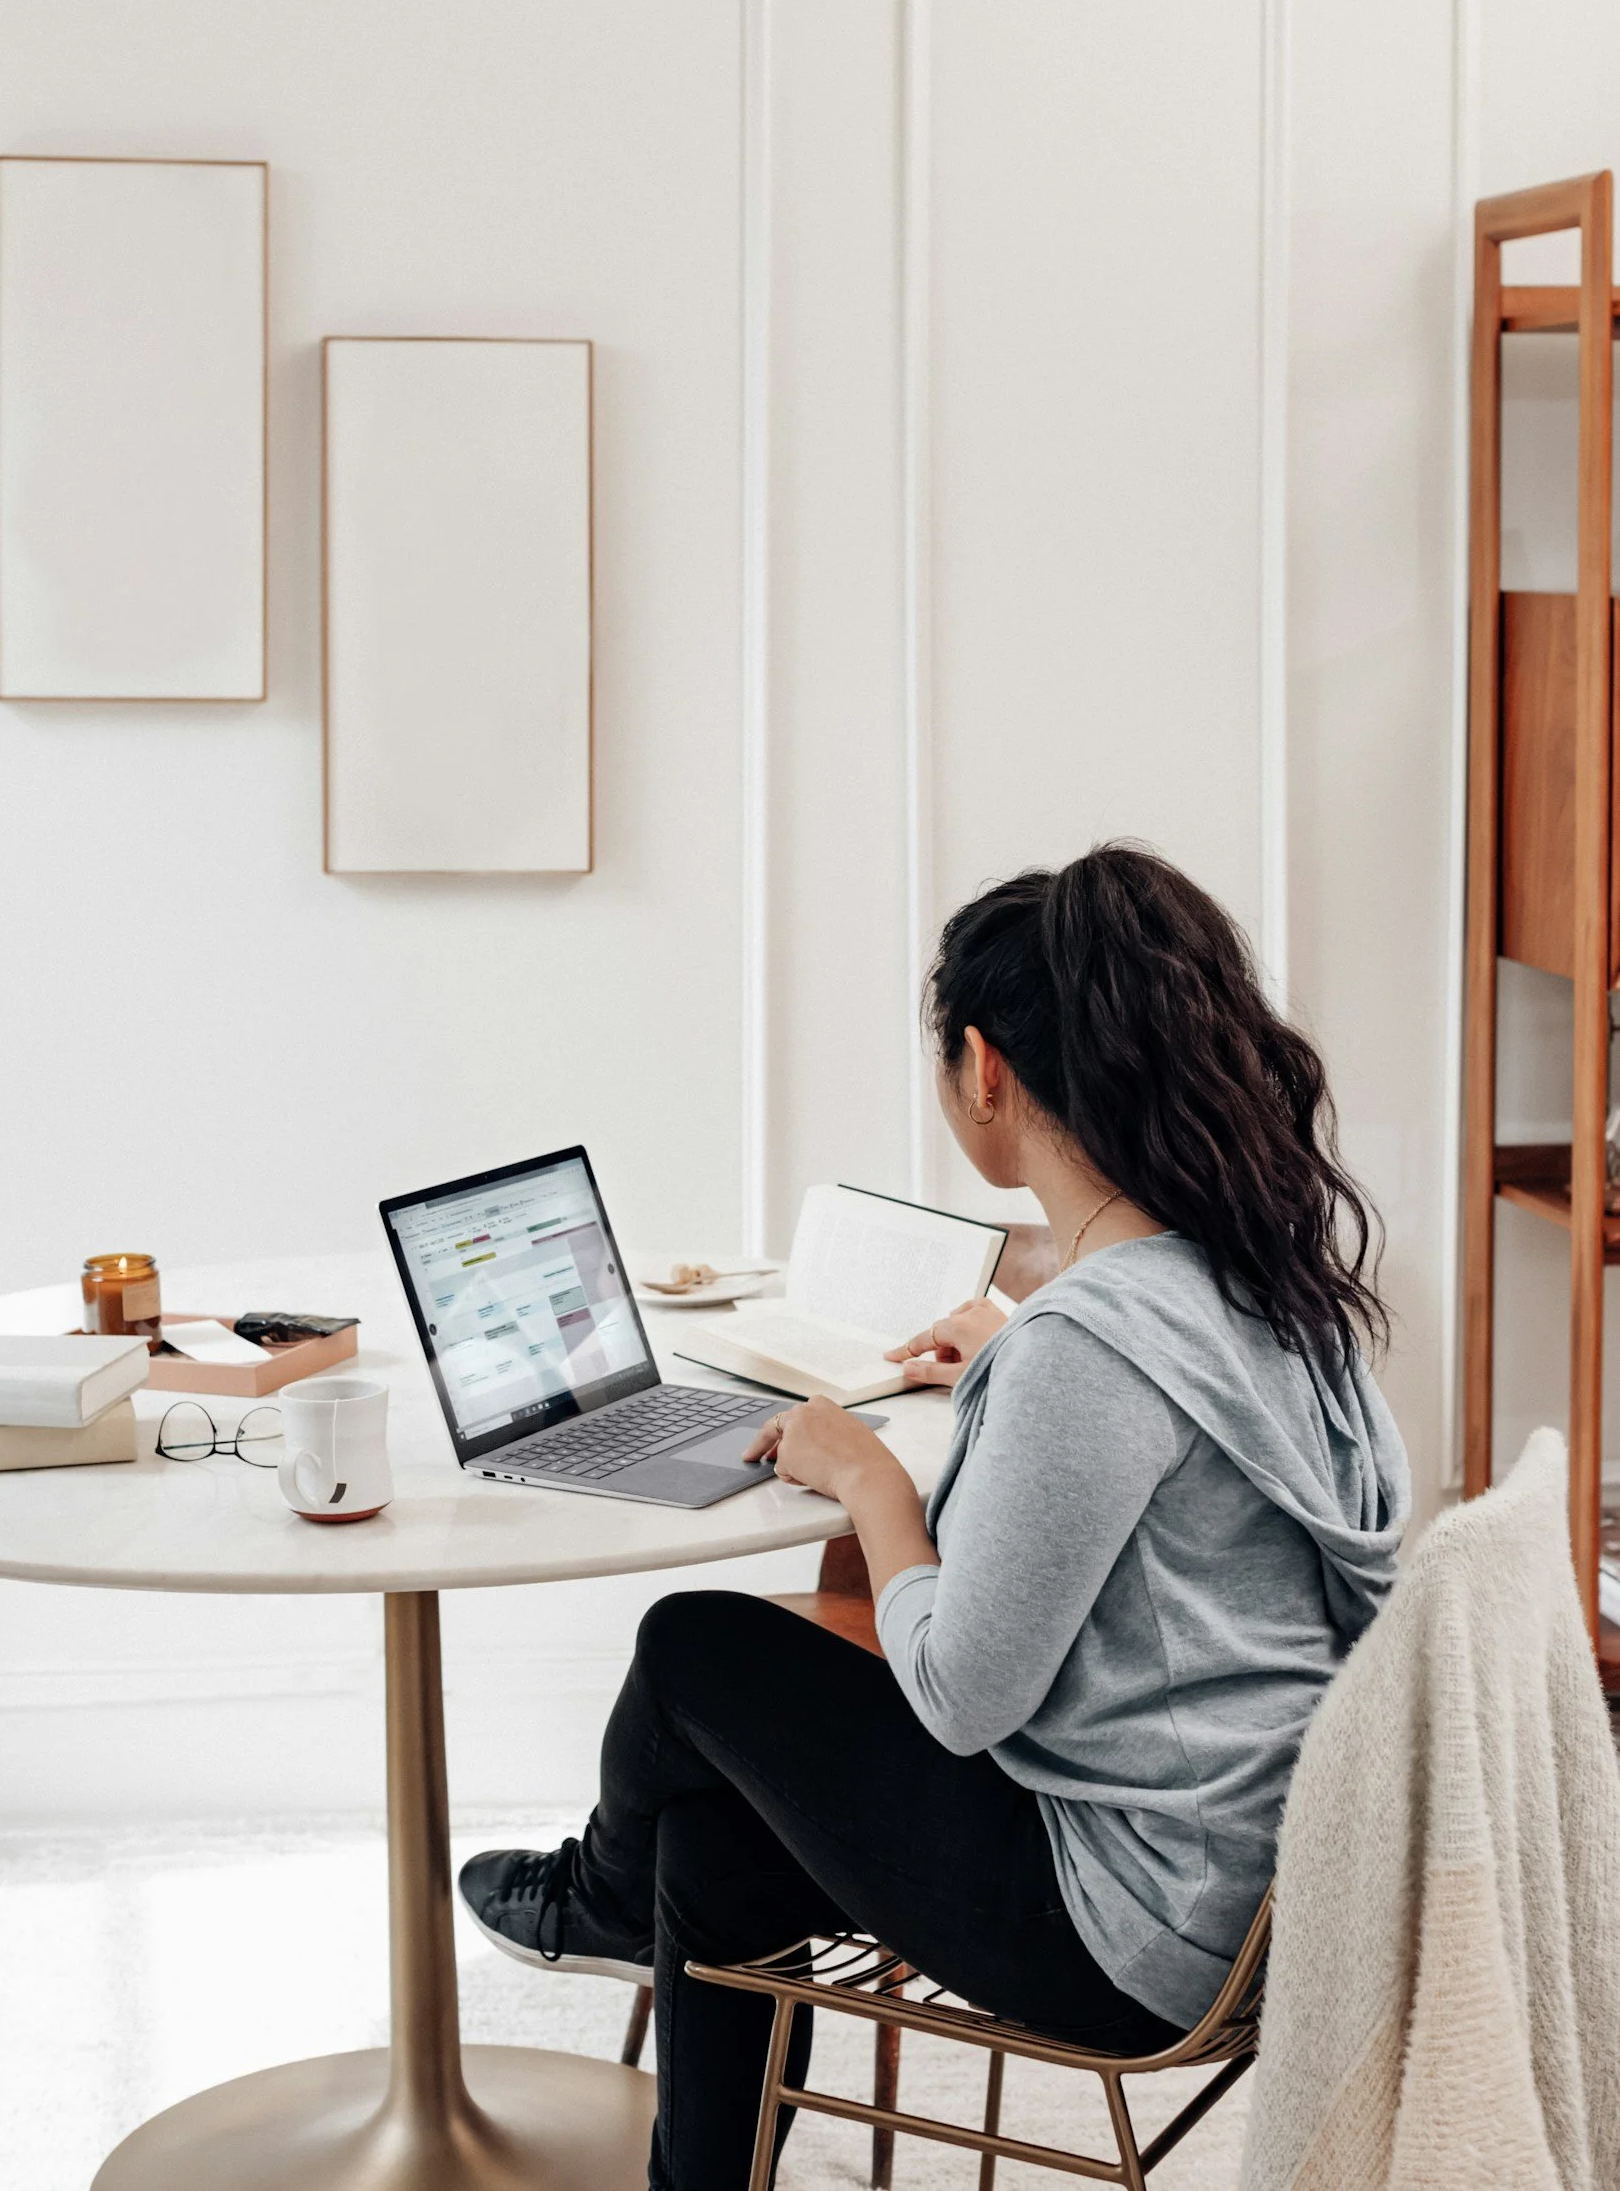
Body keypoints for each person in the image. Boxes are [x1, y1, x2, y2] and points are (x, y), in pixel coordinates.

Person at [459, 846, 1410, 2191]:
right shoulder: (1263, 1274)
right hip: (1265, 1882)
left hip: (1132, 1929)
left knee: (692, 1650)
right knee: (715, 1833)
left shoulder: (1092, 1348)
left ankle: (595, 1903)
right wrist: (1015, 1373)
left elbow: (961, 1695)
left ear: (983, 1069)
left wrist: (871, 1482)